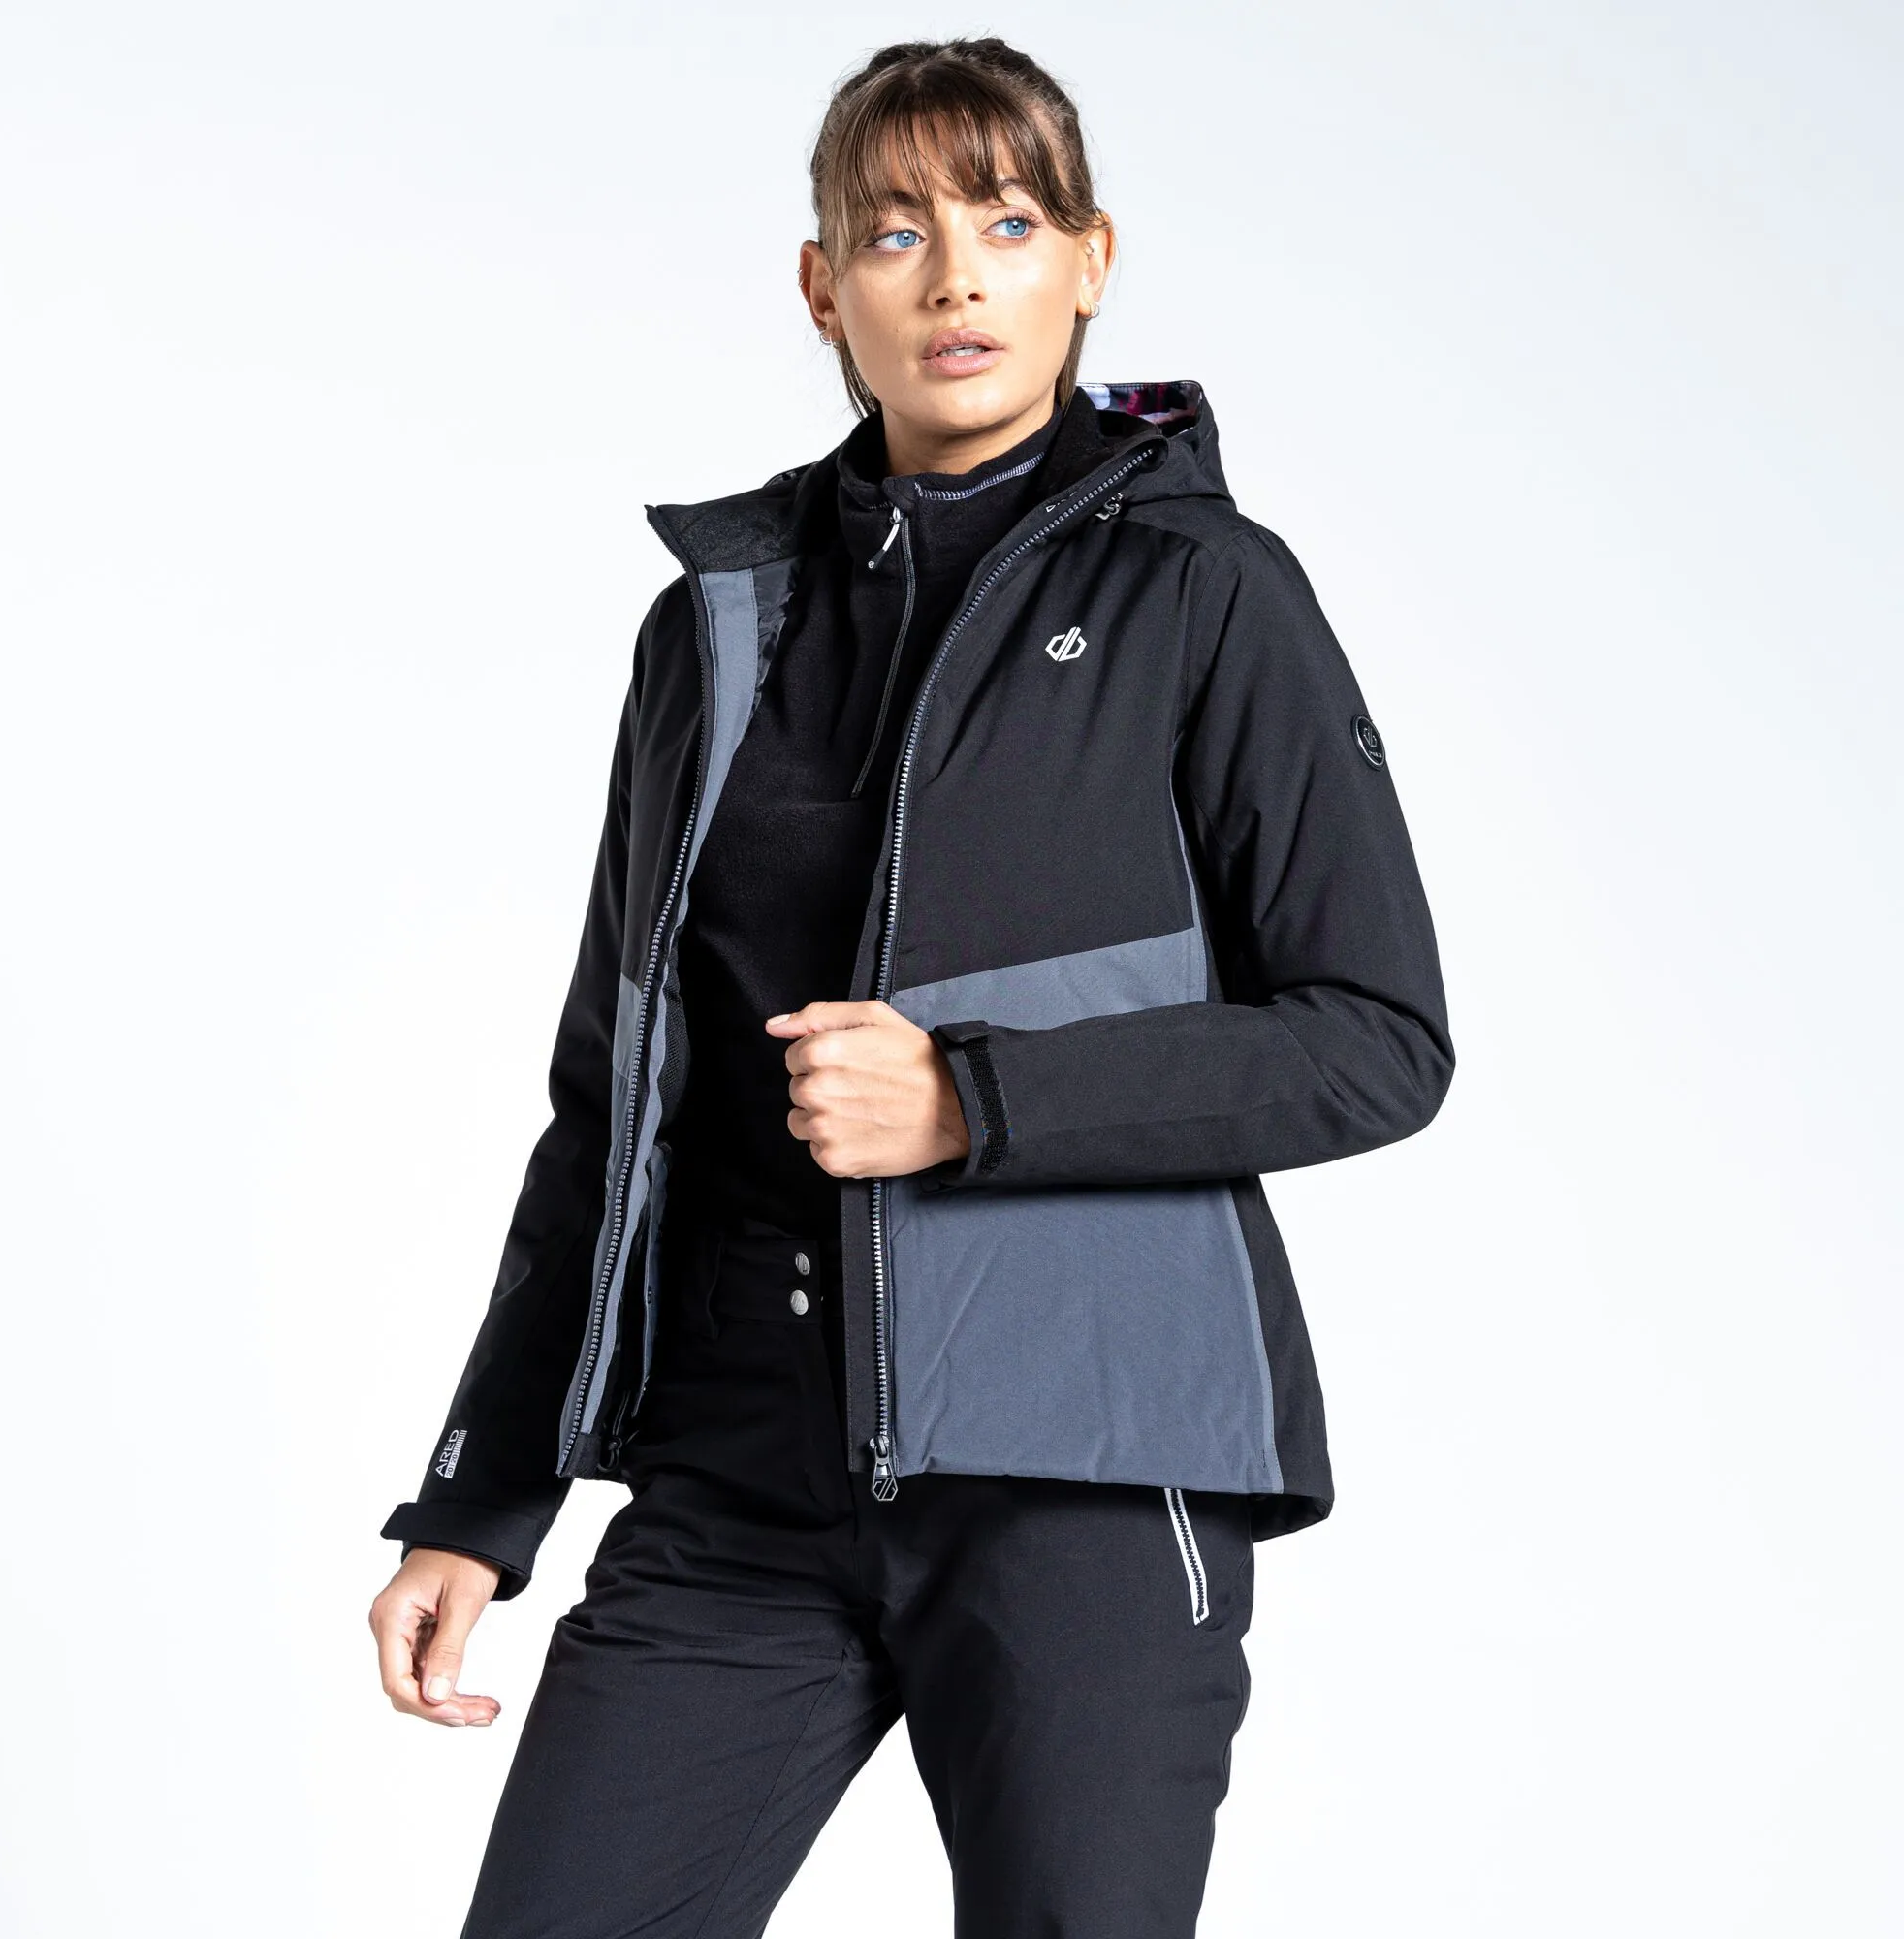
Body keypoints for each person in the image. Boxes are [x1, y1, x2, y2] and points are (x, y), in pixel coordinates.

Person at [367, 34, 1453, 1939]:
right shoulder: (717, 627)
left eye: (1007, 223)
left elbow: (1375, 1042)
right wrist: (483, 1494)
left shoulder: (1204, 592)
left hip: (1082, 1469)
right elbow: (617, 1097)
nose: (954, 276)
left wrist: (974, 1100)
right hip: (741, 1475)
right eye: (894, 233)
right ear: (823, 288)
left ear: (1089, 261)